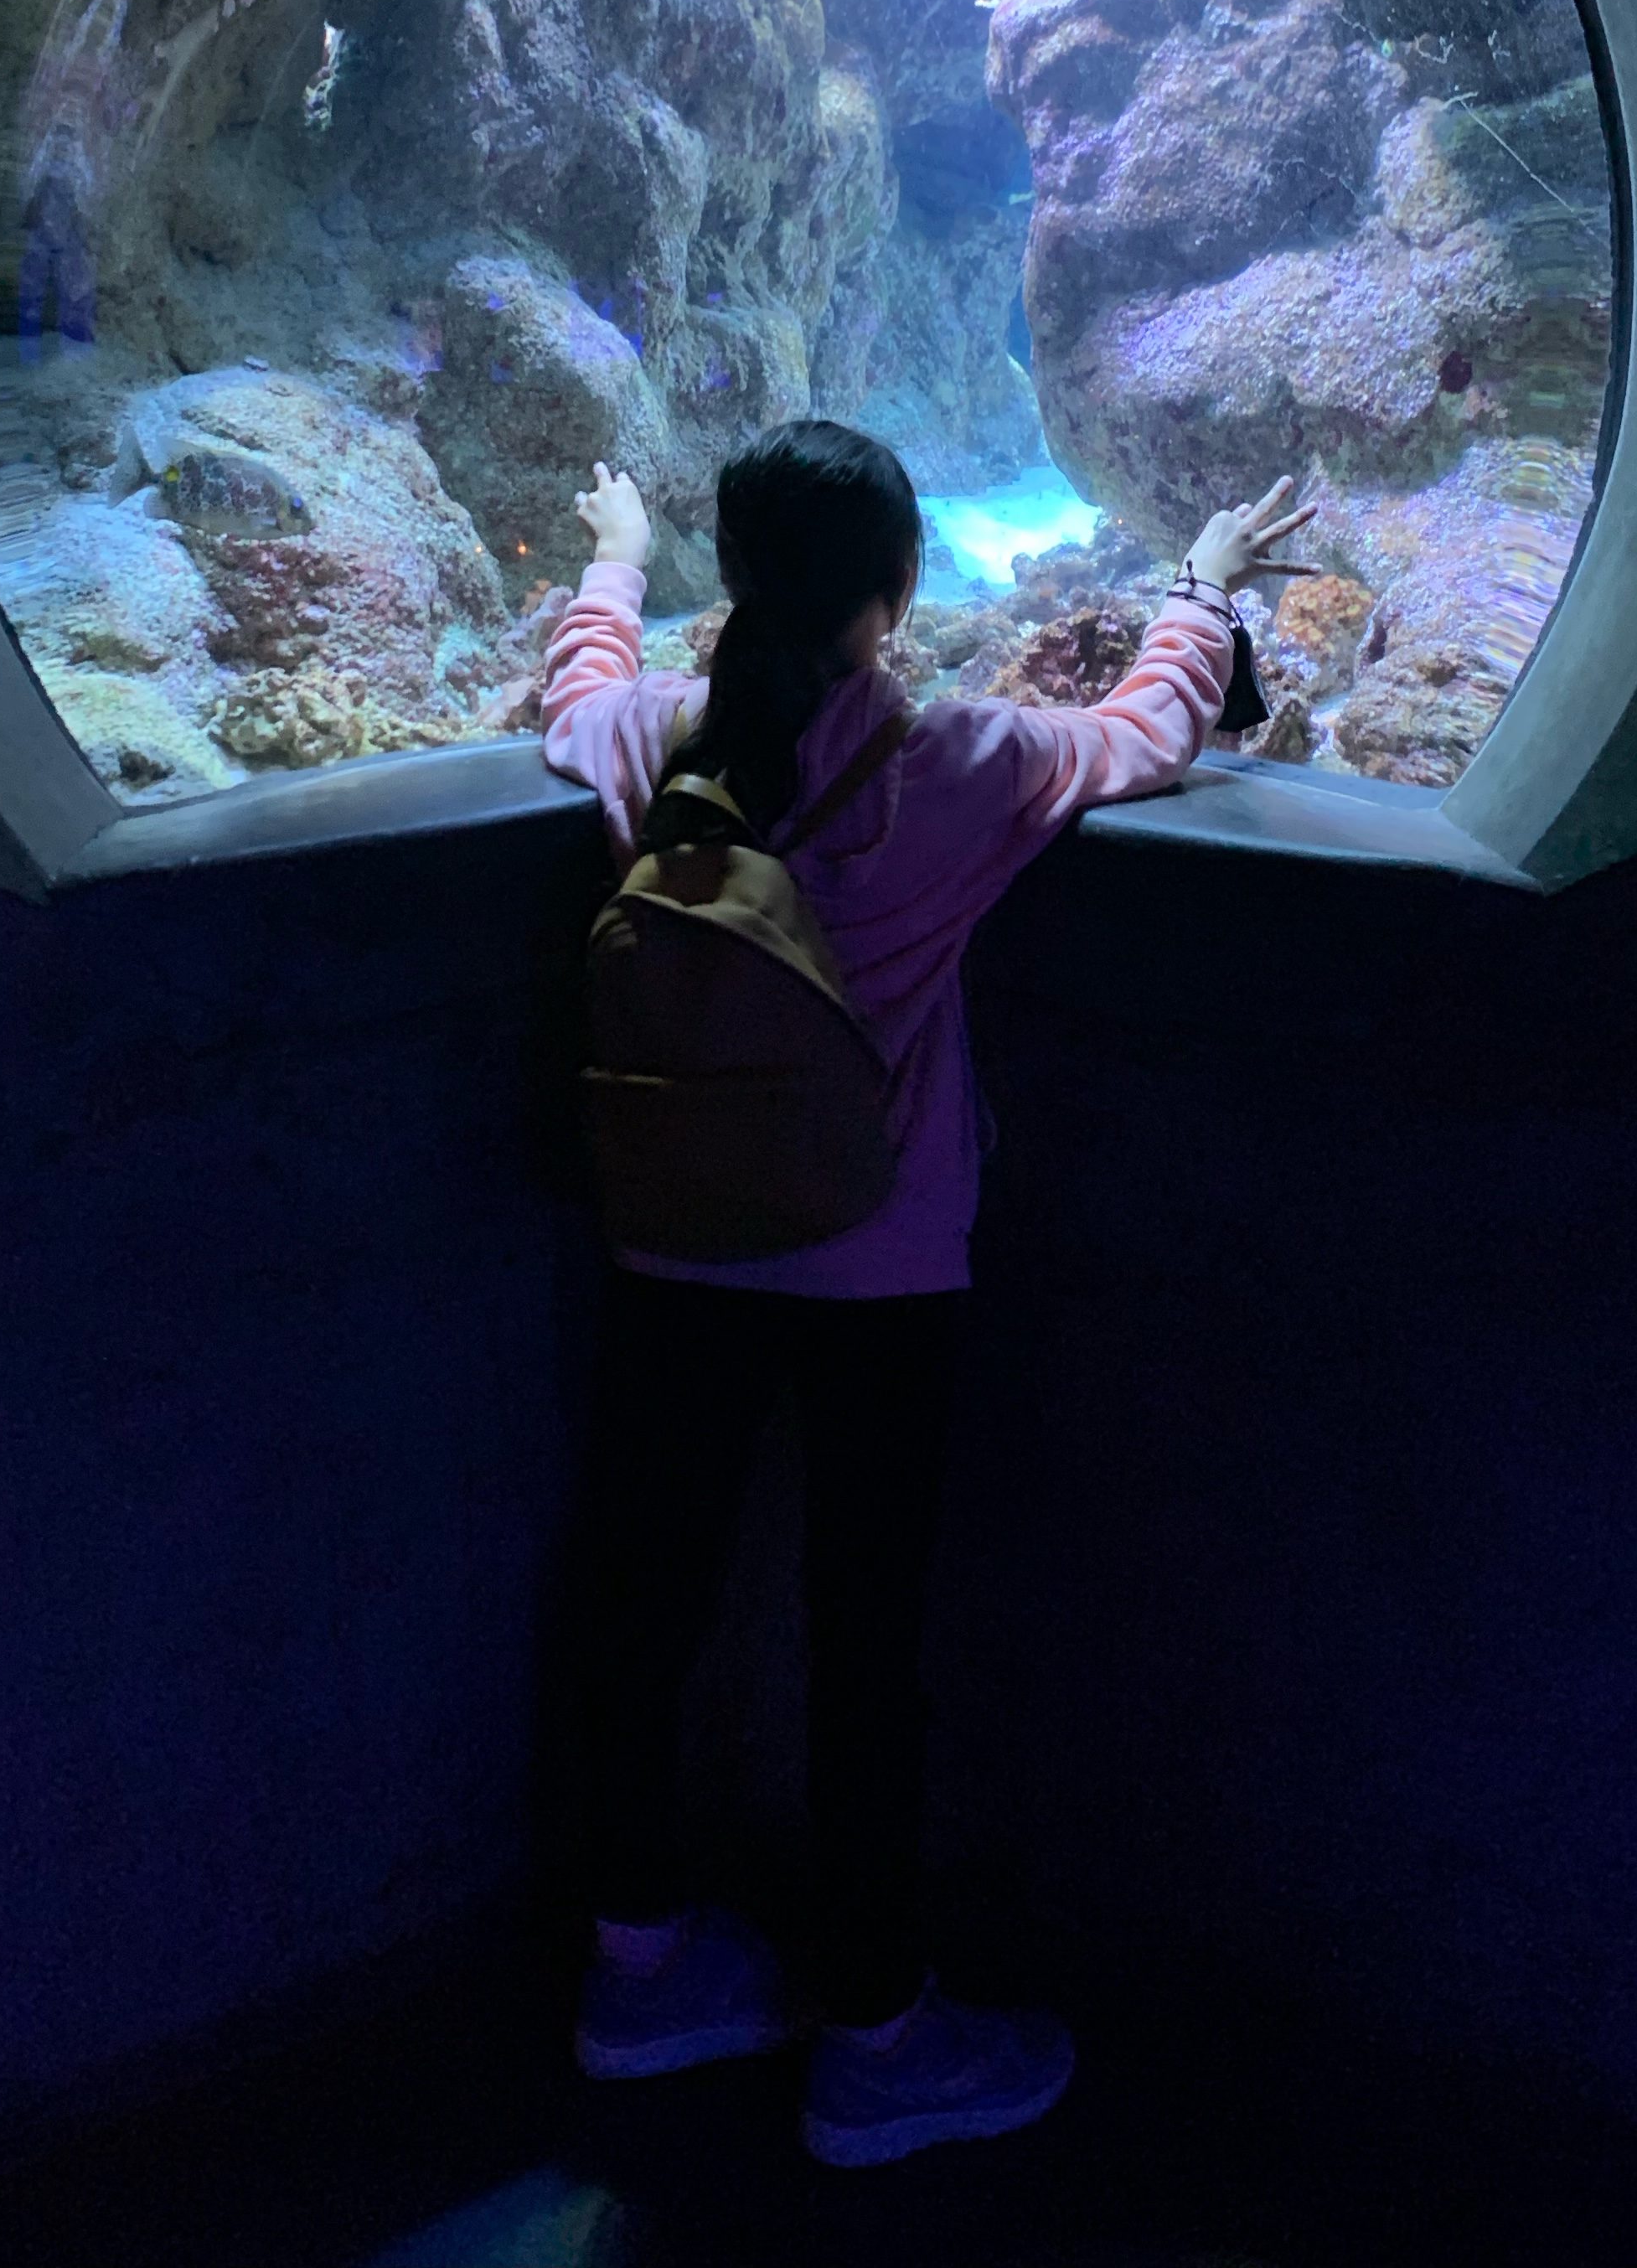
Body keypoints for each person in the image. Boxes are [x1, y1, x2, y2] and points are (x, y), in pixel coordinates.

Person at [541, 420, 1315, 2169]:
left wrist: (606, 562)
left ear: (734, 581)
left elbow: (581, 684)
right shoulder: (955, 760)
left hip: (669, 1246)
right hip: (880, 1270)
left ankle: (638, 1968)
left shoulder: (661, 739)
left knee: (643, 1599)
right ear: (898, 596)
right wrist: (1202, 584)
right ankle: (878, 2035)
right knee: (864, 1643)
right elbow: (1144, 735)